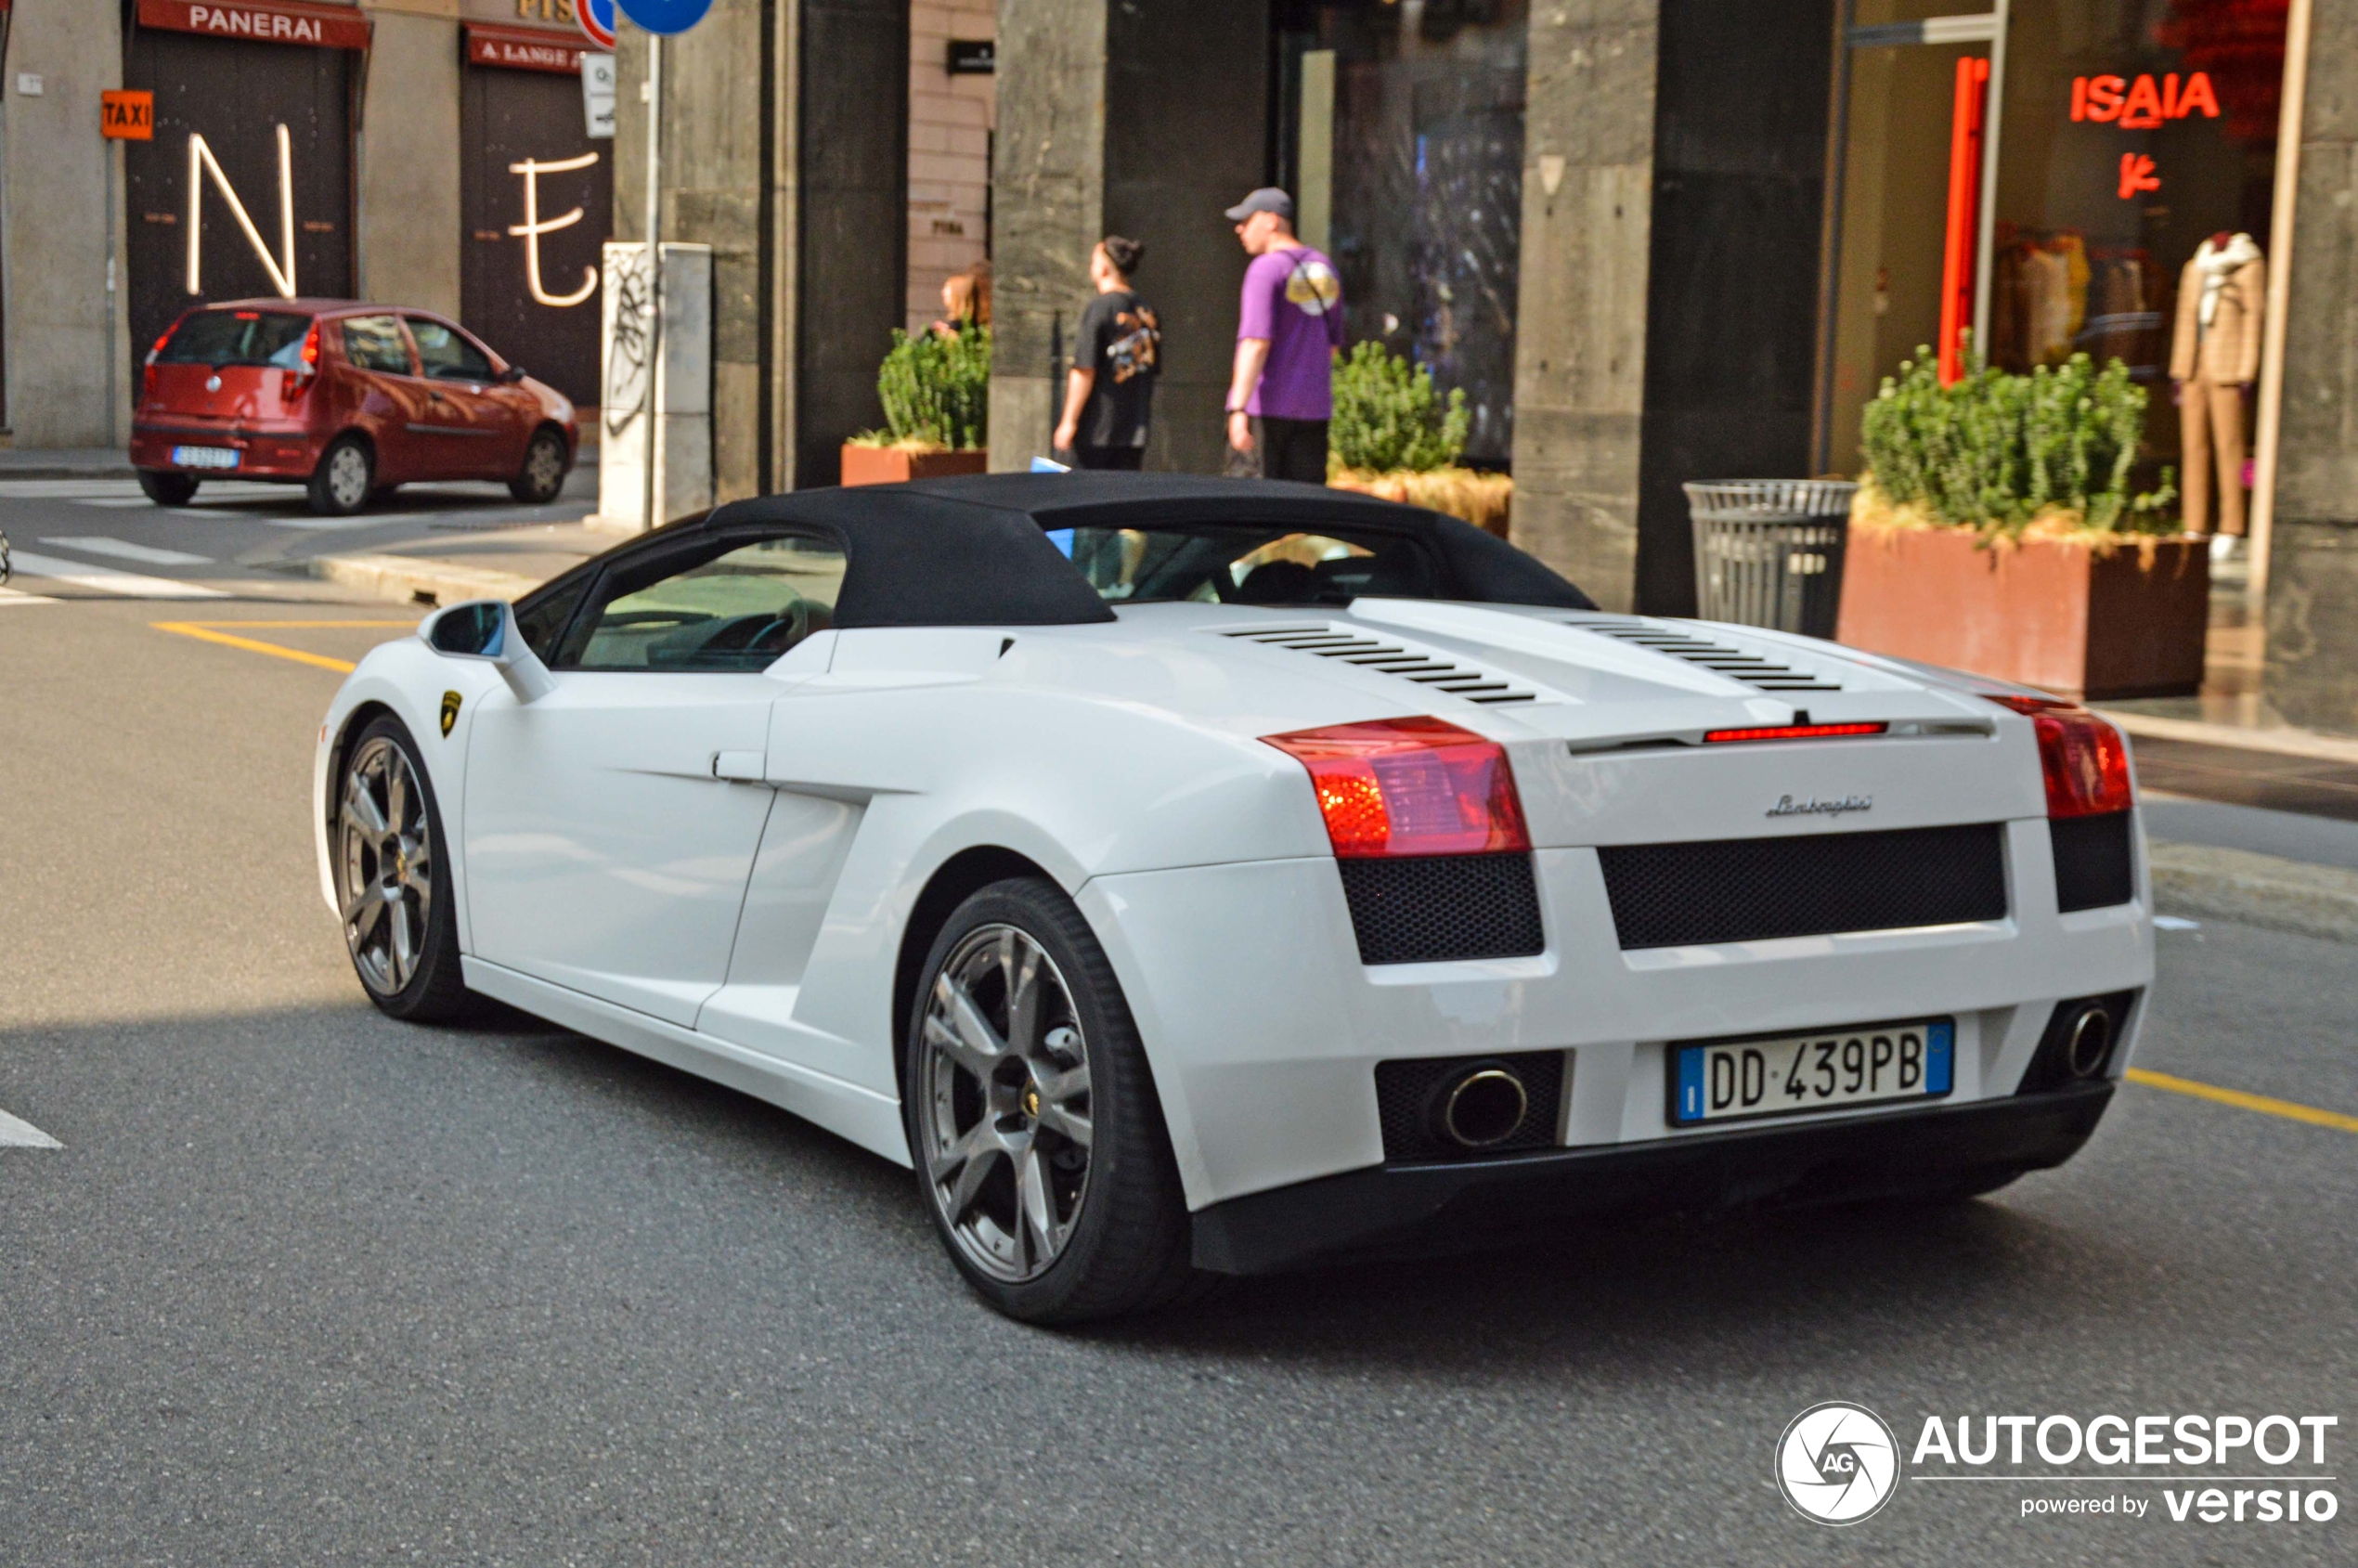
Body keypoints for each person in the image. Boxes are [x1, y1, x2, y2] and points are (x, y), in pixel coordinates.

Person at [1222, 188, 1344, 483]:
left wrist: (1238, 408)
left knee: (1252, 509)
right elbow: (1333, 347)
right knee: (1303, 507)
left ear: (1271, 221)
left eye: (1247, 220)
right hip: (1314, 413)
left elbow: (1255, 342)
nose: (1240, 229)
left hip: (1265, 411)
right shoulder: (1325, 269)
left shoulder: (1265, 268)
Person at [1053, 237, 1161, 470]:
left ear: (1103, 268)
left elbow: (1084, 369)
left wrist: (1069, 421)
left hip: (1097, 429)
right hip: (1134, 431)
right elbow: (1153, 367)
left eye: (1093, 261)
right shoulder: (1147, 310)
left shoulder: (1100, 307)